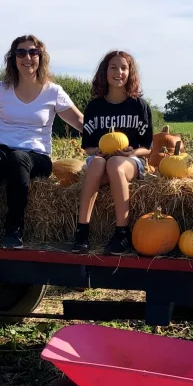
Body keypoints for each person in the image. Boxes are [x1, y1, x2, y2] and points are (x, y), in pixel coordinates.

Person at [0, 35, 84, 249]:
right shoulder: (1, 89)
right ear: (13, 58)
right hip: (3, 149)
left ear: (41, 58)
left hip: (37, 155)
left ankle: (14, 229)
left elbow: (79, 120)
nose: (27, 57)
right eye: (21, 52)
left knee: (18, 159)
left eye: (33, 52)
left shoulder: (53, 91)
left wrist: (104, 137)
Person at [72, 50, 153, 255]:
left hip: (128, 162)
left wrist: (132, 153)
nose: (119, 72)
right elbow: (87, 146)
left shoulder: (139, 106)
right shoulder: (95, 107)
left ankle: (122, 232)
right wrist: (97, 151)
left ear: (130, 72)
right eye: (113, 67)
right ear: (104, 72)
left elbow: (147, 148)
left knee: (115, 163)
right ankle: (82, 230)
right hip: (101, 162)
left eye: (124, 68)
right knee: (98, 163)